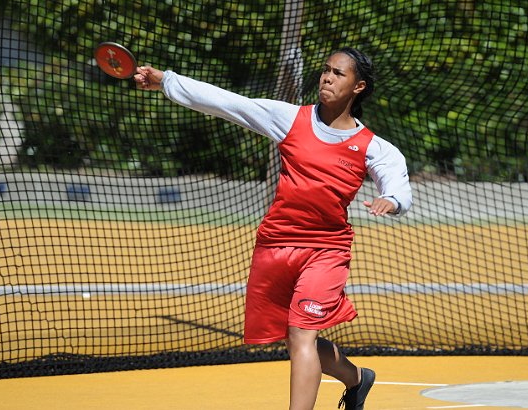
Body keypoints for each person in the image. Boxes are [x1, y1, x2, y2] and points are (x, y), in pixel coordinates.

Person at [134, 47, 412, 410]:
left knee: (301, 333)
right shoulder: (290, 118)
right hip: (276, 245)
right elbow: (227, 103)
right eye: (325, 70)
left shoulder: (374, 147)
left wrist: (390, 200)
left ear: (358, 86)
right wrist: (166, 81)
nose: (326, 78)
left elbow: (397, 183)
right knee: (293, 336)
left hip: (326, 250)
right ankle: (357, 378)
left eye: (337, 74)